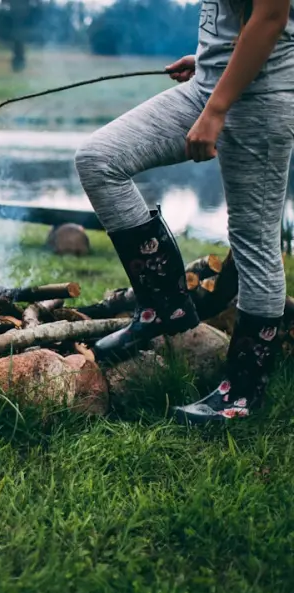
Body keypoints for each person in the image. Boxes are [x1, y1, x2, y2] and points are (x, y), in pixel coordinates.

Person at [75, 0, 294, 424]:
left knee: (254, 241)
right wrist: (212, 62)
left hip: (260, 101)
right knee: (99, 159)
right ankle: (165, 305)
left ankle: (242, 394)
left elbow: (271, 16)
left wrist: (217, 109)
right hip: (210, 86)